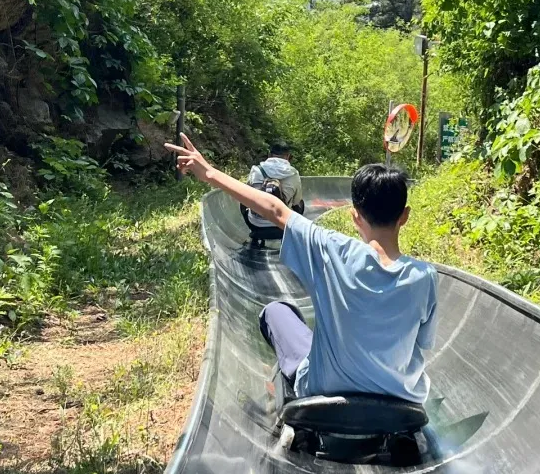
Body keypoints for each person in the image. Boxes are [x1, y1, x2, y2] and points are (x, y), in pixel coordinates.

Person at [167, 136, 437, 403]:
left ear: (355, 215)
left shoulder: (331, 249)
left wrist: (210, 172)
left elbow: (276, 210)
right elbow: (421, 343)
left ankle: (290, 401)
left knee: (276, 312)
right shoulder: (425, 277)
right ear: (405, 215)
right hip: (400, 400)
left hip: (324, 390)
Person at [243, 141, 304, 233]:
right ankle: (292, 234)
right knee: (300, 203)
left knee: (242, 200)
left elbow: (246, 196)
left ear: (269, 154)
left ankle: (254, 236)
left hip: (256, 224)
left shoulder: (256, 170)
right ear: (288, 156)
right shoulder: (294, 174)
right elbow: (296, 201)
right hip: (283, 223)